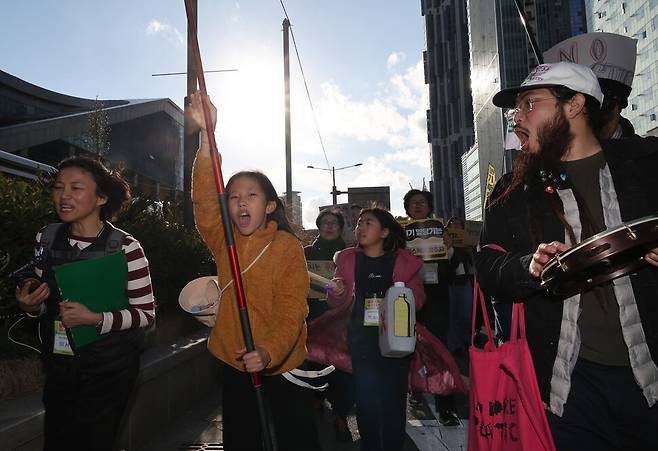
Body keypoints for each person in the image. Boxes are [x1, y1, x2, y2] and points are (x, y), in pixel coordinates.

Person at [475, 61, 658, 449]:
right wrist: (529, 265)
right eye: (515, 109)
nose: (516, 118)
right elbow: (488, 266)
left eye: (530, 104)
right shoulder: (513, 190)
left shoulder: (646, 164)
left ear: (574, 105)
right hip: (566, 388)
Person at [188, 92, 320, 451]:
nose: (241, 201)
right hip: (233, 361)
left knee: (296, 438)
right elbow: (203, 203)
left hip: (282, 365)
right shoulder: (222, 240)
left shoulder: (286, 247)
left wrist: (268, 351)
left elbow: (293, 308)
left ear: (271, 205)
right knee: (242, 439)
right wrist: (207, 138)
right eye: (233, 196)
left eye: (251, 195)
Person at [15, 156, 155, 451]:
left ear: (101, 197)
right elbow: (46, 303)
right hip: (60, 367)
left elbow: (145, 314)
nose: (64, 195)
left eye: (76, 187)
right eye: (59, 187)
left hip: (111, 368)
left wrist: (95, 319)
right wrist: (30, 306)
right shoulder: (46, 238)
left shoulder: (127, 248)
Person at [310, 207, 425, 451]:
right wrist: (336, 291)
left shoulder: (403, 262)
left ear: (384, 232)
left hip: (396, 342)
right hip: (361, 341)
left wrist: (401, 297)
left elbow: (419, 298)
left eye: (368, 223)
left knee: (393, 402)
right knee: (366, 403)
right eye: (359, 223)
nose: (360, 227)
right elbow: (335, 298)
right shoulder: (347, 259)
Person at [402, 189, 460, 426]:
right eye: (413, 203)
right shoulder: (400, 234)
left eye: (422, 202)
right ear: (406, 209)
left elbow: (455, 266)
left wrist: (449, 248)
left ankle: (446, 406)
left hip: (436, 298)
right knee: (408, 348)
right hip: (408, 299)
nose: (417, 206)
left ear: (429, 207)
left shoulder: (441, 232)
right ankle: (415, 388)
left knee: (439, 350)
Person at [304, 208, 354, 442]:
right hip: (313, 319)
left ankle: (341, 414)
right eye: (325, 222)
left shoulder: (351, 255)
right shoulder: (305, 253)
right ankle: (316, 397)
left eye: (334, 222)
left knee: (343, 369)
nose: (330, 226)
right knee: (314, 363)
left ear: (341, 227)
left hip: (343, 321)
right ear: (319, 226)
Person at [444, 216, 474, 355]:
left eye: (458, 222)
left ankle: (465, 340)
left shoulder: (467, 242)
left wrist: (470, 251)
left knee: (466, 314)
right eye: (452, 223)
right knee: (451, 314)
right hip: (449, 282)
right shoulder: (443, 240)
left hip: (464, 281)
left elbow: (474, 263)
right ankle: (454, 345)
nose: (455, 224)